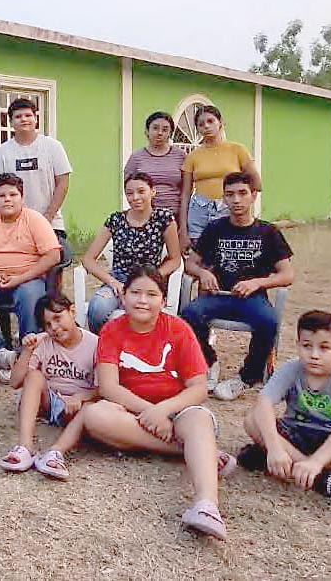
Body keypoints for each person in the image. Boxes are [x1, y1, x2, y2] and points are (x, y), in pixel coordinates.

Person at [82, 265, 237, 541]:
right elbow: (108, 386)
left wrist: (163, 411)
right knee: (95, 416)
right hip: (133, 414)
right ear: (123, 297)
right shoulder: (111, 330)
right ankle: (199, 452)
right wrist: (150, 413)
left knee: (199, 420)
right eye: (136, 293)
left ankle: (207, 506)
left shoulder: (179, 329)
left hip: (178, 409)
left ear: (163, 301)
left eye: (151, 294)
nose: (143, 300)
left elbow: (198, 388)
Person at [238, 310, 331, 512]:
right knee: (251, 420)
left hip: (329, 440)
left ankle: (286, 462)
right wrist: (274, 447)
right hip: (293, 434)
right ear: (298, 345)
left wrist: (317, 461)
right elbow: (264, 403)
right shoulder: (291, 369)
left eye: (324, 348)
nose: (314, 355)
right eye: (307, 346)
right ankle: (327, 481)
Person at [181, 172, 294, 400]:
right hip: (218, 295)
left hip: (251, 298)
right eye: (230, 194)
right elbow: (190, 264)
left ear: (253, 196)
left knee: (268, 321)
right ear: (224, 198)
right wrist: (203, 273)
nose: (236, 200)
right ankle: (208, 363)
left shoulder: (268, 232)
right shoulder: (215, 229)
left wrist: (257, 282)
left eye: (242, 193)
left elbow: (287, 274)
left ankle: (247, 377)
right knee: (189, 314)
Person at [0, 174, 61, 383]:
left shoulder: (34, 219)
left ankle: (27, 354)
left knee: (30, 294)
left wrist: (20, 278)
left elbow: (53, 255)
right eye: (1, 195)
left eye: (13, 194)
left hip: (27, 278)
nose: (7, 199)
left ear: (22, 198)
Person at [0, 295, 98, 480]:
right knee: (34, 376)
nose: (54, 328)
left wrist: (81, 397)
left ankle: (56, 454)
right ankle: (25, 447)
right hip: (50, 399)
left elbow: (103, 388)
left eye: (58, 318)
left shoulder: (95, 345)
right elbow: (14, 382)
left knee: (94, 408)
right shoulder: (43, 342)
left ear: (72, 311)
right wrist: (27, 351)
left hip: (79, 405)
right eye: (47, 324)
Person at [82, 172, 181, 333]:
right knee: (98, 308)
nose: (135, 197)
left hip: (149, 280)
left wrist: (155, 276)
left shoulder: (163, 218)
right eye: (129, 193)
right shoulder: (116, 220)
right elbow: (88, 259)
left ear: (153, 192)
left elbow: (175, 259)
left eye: (141, 191)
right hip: (119, 280)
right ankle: (103, 348)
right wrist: (112, 282)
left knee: (146, 315)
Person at [0, 98, 72, 247]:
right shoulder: (1, 152)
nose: (24, 120)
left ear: (36, 119)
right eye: (18, 116)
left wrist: (48, 216)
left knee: (53, 264)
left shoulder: (53, 147)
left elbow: (63, 182)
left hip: (51, 224)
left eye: (28, 115)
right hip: (13, 226)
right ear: (11, 122)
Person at [178, 105, 261, 250]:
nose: (207, 126)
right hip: (199, 209)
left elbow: (257, 184)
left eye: (211, 121)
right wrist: (183, 229)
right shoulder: (192, 156)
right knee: (200, 254)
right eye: (201, 124)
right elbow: (185, 193)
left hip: (227, 207)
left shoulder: (237, 150)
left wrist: (243, 203)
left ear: (220, 122)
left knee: (228, 250)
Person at [124, 111, 187, 218]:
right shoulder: (136, 157)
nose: (160, 133)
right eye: (155, 128)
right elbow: (129, 188)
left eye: (165, 130)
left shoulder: (181, 156)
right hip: (144, 216)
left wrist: (183, 220)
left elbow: (186, 190)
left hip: (174, 215)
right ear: (147, 131)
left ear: (170, 133)